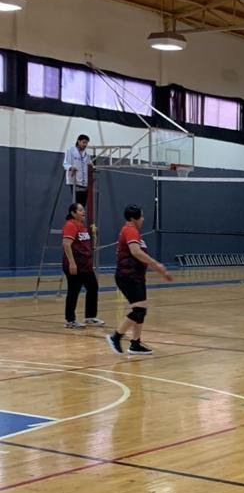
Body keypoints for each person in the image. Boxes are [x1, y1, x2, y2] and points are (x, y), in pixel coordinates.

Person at [106, 205, 172, 358]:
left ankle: (135, 344)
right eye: (141, 216)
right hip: (127, 276)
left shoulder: (134, 232)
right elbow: (136, 252)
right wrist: (158, 266)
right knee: (139, 310)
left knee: (141, 311)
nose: (143, 219)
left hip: (136, 276)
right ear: (134, 218)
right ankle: (116, 336)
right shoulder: (130, 230)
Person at [61, 201, 104, 330]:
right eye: (80, 210)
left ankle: (90, 317)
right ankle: (70, 320)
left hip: (85, 266)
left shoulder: (82, 226)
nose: (83, 212)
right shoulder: (70, 225)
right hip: (76, 266)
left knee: (93, 287)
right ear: (73, 213)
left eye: (83, 209)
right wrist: (72, 263)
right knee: (73, 291)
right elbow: (66, 244)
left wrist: (94, 236)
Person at [63, 134, 91, 207]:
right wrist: (71, 167)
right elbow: (65, 164)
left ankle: (81, 218)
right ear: (78, 141)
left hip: (84, 182)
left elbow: (89, 164)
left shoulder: (86, 154)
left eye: (86, 143)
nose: (85, 145)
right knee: (77, 204)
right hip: (75, 181)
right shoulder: (71, 151)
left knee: (83, 205)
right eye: (84, 142)